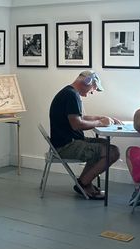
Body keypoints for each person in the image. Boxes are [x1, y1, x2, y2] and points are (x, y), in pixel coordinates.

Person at [49, 71, 121, 200]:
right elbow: (77, 124)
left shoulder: (69, 92)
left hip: (68, 142)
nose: (92, 92)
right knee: (113, 152)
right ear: (87, 82)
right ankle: (83, 183)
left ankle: (84, 182)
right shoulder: (71, 95)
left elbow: (80, 117)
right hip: (66, 146)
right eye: (94, 88)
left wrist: (103, 118)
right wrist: (100, 123)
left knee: (107, 146)